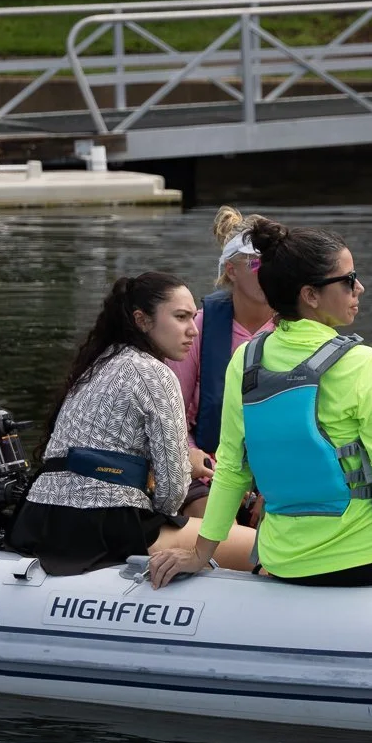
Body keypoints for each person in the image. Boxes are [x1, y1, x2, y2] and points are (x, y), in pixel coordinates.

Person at [146, 221, 372, 596]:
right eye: (348, 280)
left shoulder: (245, 360)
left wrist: (201, 554)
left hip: (287, 565)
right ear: (310, 295)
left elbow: (232, 468)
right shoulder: (360, 362)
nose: (358, 288)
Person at [11, 272, 258, 576]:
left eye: (193, 318)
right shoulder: (154, 373)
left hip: (40, 517)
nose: (193, 330)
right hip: (105, 523)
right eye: (181, 317)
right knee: (258, 547)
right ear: (142, 320)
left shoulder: (98, 364)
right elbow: (172, 493)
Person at [165, 205, 276, 518]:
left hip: (276, 467)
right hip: (210, 463)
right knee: (210, 514)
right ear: (232, 270)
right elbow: (173, 415)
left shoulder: (295, 330)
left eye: (276, 265)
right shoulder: (198, 329)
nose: (269, 274)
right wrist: (192, 455)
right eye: (257, 265)